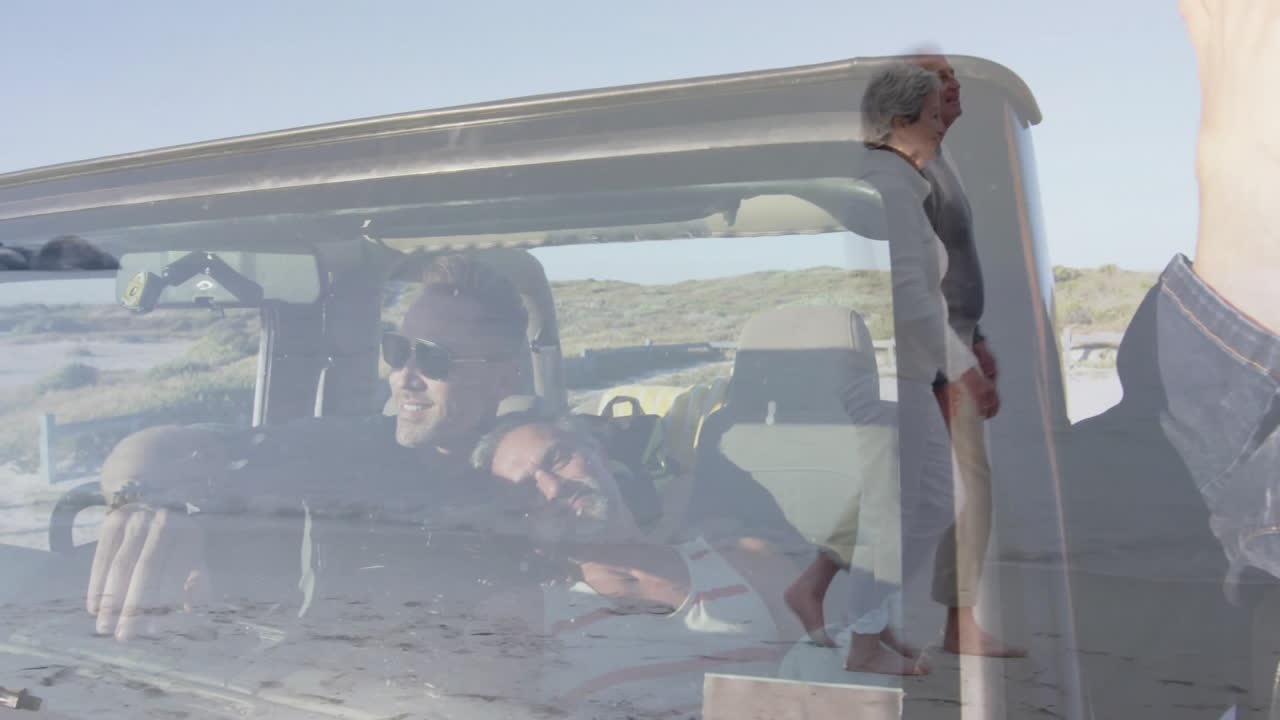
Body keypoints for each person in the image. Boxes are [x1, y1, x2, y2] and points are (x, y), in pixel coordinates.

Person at [87, 253, 529, 641]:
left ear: (504, 377)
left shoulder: (554, 467)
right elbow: (161, 447)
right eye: (397, 350)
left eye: (433, 357)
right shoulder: (346, 447)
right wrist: (135, 501)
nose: (402, 378)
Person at [786, 61, 998, 676]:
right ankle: (862, 638)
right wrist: (961, 367)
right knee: (911, 507)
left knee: (925, 503)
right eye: (933, 117)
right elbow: (910, 292)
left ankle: (859, 621)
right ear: (902, 121)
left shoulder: (898, 180)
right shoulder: (893, 183)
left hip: (903, 371)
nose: (941, 128)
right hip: (894, 373)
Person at [466, 414, 802, 716]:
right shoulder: (522, 619)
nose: (553, 489)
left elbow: (832, 689)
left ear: (598, 454)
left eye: (557, 459)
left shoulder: (750, 562)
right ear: (524, 526)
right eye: (527, 491)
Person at [911, 49, 1025, 658]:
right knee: (962, 490)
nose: (953, 86)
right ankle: (957, 628)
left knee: (945, 491)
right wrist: (958, 362)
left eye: (953, 76)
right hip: (933, 359)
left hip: (950, 348)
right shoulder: (912, 164)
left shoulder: (937, 157)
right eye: (938, 79)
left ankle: (822, 592)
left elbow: (948, 278)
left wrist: (976, 339)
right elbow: (914, 283)